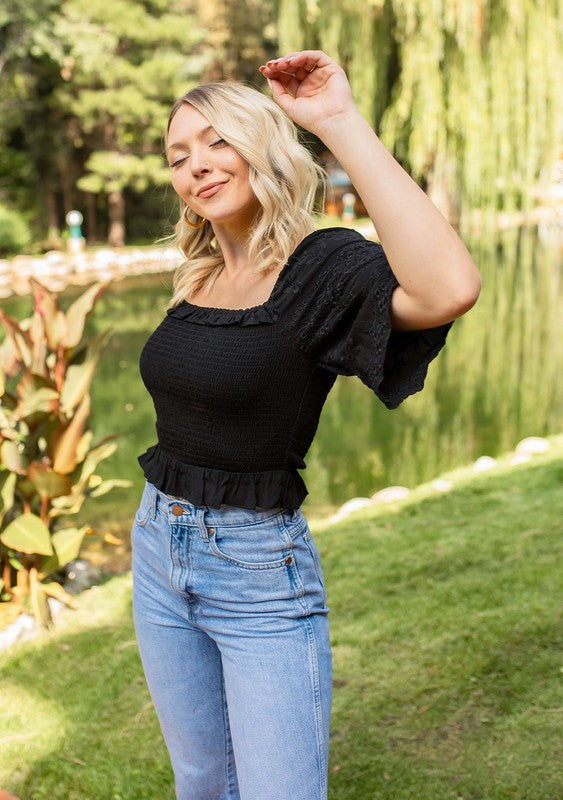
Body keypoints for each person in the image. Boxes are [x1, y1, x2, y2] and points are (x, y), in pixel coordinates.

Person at [131, 50, 481, 800]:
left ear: (262, 147)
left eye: (217, 141)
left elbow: (447, 287)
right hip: (158, 545)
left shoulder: (319, 267)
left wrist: (337, 122)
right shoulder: (200, 276)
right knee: (202, 783)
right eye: (178, 155)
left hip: (256, 570)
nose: (197, 164)